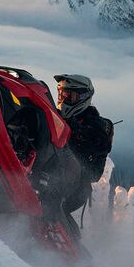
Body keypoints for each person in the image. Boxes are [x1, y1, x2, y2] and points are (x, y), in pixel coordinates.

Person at [53, 74, 114, 218]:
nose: (64, 99)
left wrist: (76, 130)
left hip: (77, 187)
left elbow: (100, 143)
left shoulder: (99, 124)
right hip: (54, 172)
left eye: (69, 96)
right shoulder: (60, 117)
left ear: (83, 97)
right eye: (61, 94)